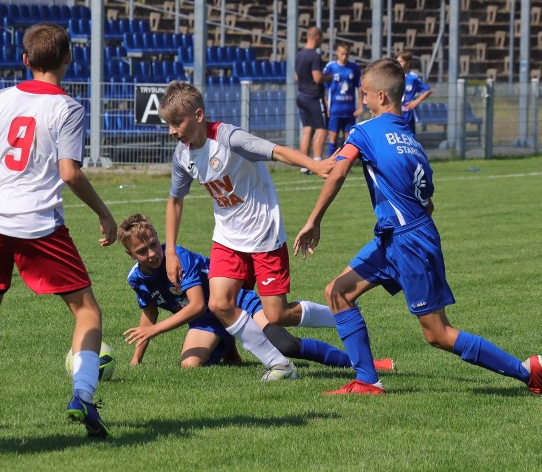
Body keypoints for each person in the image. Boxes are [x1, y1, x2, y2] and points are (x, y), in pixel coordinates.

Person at [293, 57, 542, 395]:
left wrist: (313, 221)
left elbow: (337, 172)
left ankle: (529, 372)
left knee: (437, 333)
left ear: (381, 97)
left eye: (365, 95)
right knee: (338, 292)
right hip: (398, 236)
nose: (362, 102)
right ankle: (367, 381)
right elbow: (428, 200)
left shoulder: (365, 131)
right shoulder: (411, 142)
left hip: (408, 241)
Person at [0, 23, 118, 437]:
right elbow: (69, 173)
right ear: (69, 58)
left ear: (25, 60)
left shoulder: (1, 99)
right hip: (38, 223)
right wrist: (104, 214)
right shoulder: (68, 108)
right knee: (86, 310)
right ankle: (83, 396)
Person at [160, 80, 340, 381]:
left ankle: (340, 316)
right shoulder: (182, 155)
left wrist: (315, 164)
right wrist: (169, 251)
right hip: (228, 238)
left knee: (277, 315)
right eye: (168, 124)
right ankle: (280, 365)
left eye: (177, 123)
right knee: (219, 303)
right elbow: (175, 201)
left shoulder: (230, 138)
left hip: (263, 235)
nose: (172, 131)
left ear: (199, 115)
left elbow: (277, 151)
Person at [118, 214, 395, 372]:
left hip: (236, 302)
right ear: (130, 254)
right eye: (143, 251)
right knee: (190, 365)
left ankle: (366, 360)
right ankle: (229, 346)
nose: (153, 253)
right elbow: (149, 315)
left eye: (154, 243)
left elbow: (196, 305)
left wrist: (153, 332)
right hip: (207, 320)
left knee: (286, 346)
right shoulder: (136, 279)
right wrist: (135, 360)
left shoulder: (178, 258)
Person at [294, 26, 328, 174]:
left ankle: (304, 164)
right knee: (321, 130)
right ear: (317, 37)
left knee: (307, 129)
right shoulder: (315, 56)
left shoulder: (299, 54)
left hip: (301, 95)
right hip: (313, 97)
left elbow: (296, 77)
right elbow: (317, 77)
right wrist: (329, 77)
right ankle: (318, 162)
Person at [322, 42, 363, 157]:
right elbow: (324, 88)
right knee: (333, 138)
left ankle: (344, 163)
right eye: (342, 54)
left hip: (349, 110)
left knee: (349, 140)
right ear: (337, 53)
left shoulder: (353, 67)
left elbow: (359, 87)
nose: (345, 56)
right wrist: (326, 105)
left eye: (347, 54)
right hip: (335, 109)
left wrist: (360, 106)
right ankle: (331, 163)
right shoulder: (330, 67)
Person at [396, 51, 431, 135]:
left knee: (408, 137)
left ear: (408, 63)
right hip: (394, 112)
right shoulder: (394, 76)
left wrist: (416, 102)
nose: (398, 63)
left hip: (407, 114)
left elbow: (427, 90)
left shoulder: (413, 78)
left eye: (401, 61)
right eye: (397, 61)